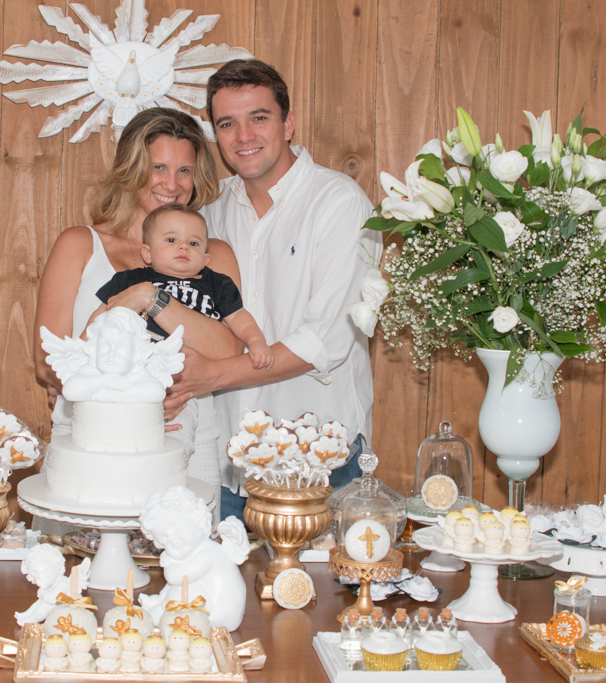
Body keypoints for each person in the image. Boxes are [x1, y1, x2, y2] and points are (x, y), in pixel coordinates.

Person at [168, 59, 382, 520]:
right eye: (227, 123)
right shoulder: (208, 214)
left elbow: (326, 340)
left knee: (320, 591)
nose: (243, 136)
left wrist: (213, 375)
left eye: (258, 118)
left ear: (288, 123)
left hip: (317, 460)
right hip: (225, 467)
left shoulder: (340, 203)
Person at [34, 108, 245, 494]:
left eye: (185, 170)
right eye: (159, 167)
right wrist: (133, 394)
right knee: (78, 549)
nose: (173, 183)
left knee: (184, 547)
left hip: (187, 429)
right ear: (131, 170)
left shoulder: (211, 254)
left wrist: (151, 298)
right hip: (91, 435)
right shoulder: (81, 245)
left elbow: (230, 348)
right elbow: (49, 361)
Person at [88, 203, 272, 371]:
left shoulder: (218, 284)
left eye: (193, 243)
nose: (183, 246)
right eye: (171, 240)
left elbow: (239, 317)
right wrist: (82, 351)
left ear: (204, 260)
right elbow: (103, 313)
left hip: (187, 374)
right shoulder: (130, 279)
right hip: (134, 365)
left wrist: (256, 341)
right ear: (148, 253)